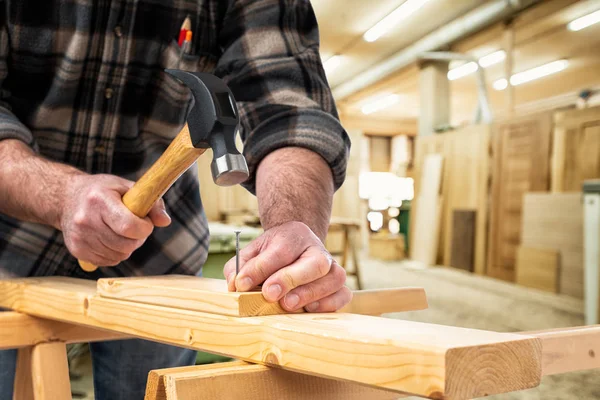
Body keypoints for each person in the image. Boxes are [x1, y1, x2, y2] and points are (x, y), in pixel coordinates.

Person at [0, 1, 351, 399]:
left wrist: (294, 225)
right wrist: (59, 194)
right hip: (12, 248)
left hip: (158, 262)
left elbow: (288, 107)